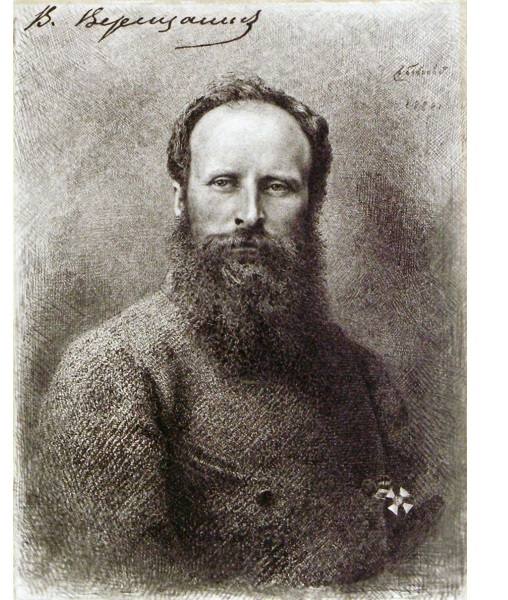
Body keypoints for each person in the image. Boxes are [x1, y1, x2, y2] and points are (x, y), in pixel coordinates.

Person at [27, 76, 442, 588]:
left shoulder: (359, 373)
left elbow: (418, 536)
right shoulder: (113, 367)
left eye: (277, 186)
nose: (249, 214)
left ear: (311, 204)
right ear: (181, 198)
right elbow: (115, 584)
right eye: (224, 183)